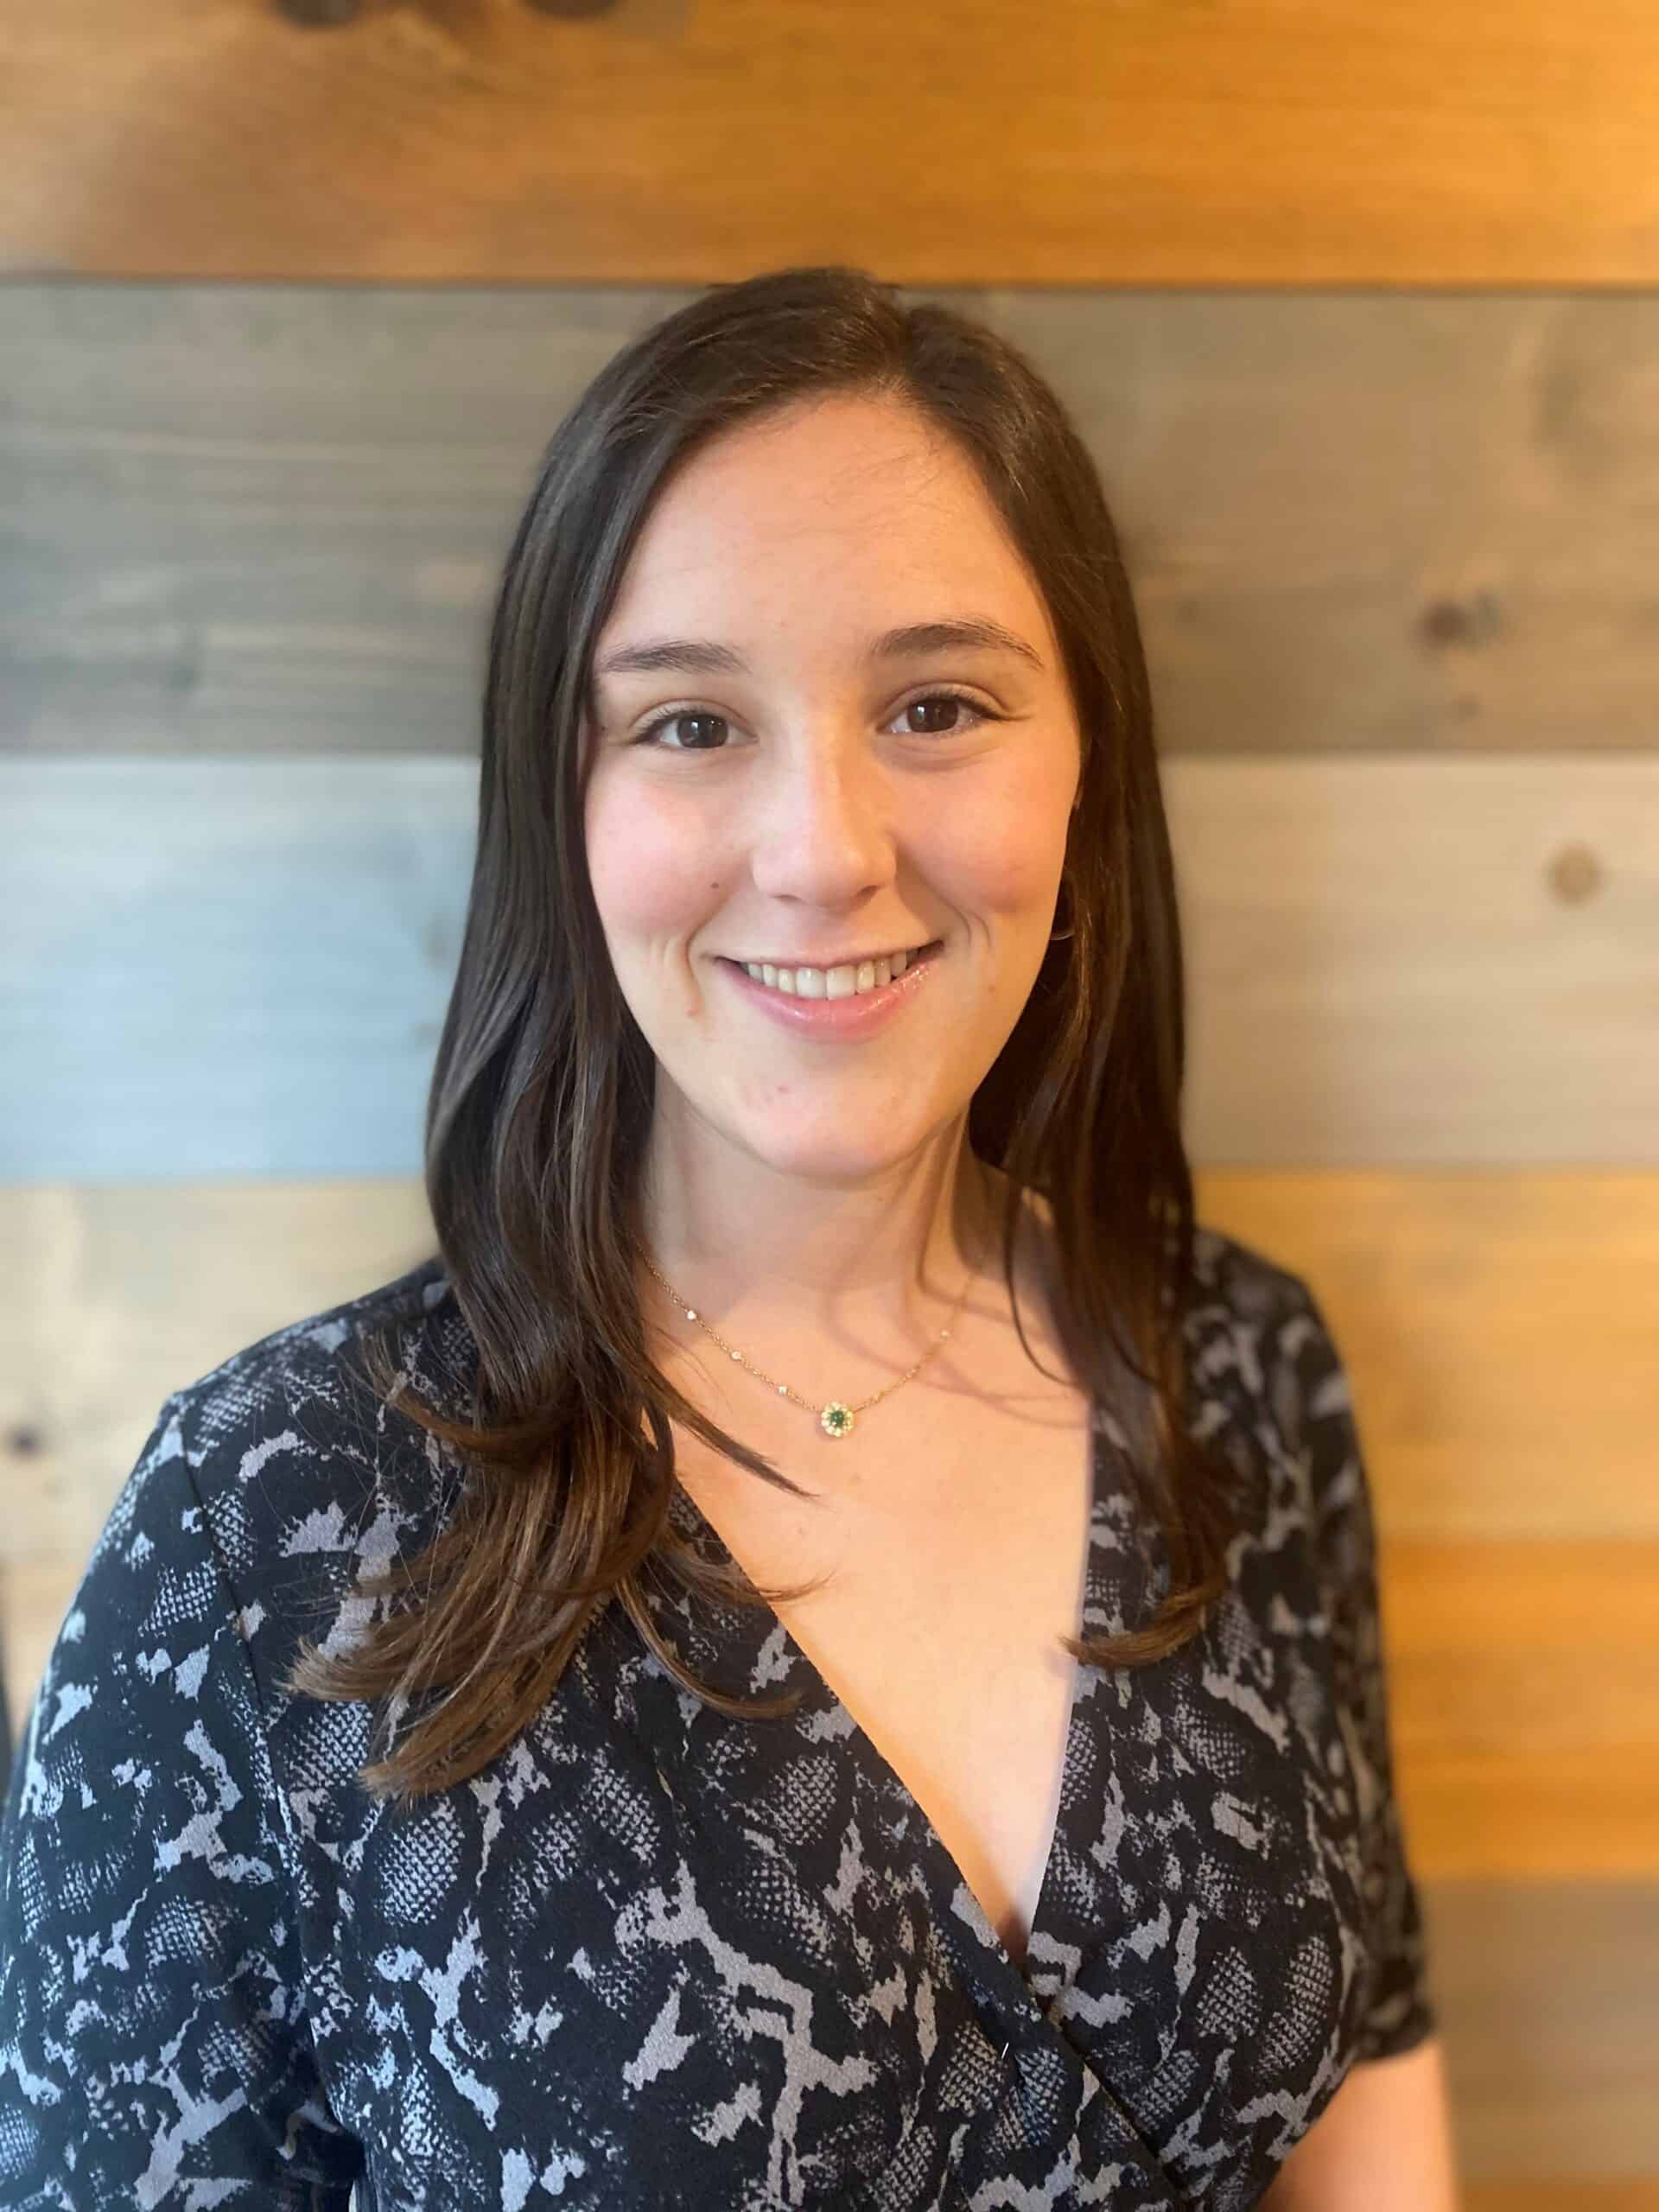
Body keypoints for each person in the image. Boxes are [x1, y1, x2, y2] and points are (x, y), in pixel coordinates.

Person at [0, 265, 1459, 2209]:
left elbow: (1370, 2080)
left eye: (937, 704)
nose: (823, 848)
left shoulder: (1238, 1365)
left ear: (1084, 768)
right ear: (567, 804)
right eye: (692, 722)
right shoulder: (263, 1527)